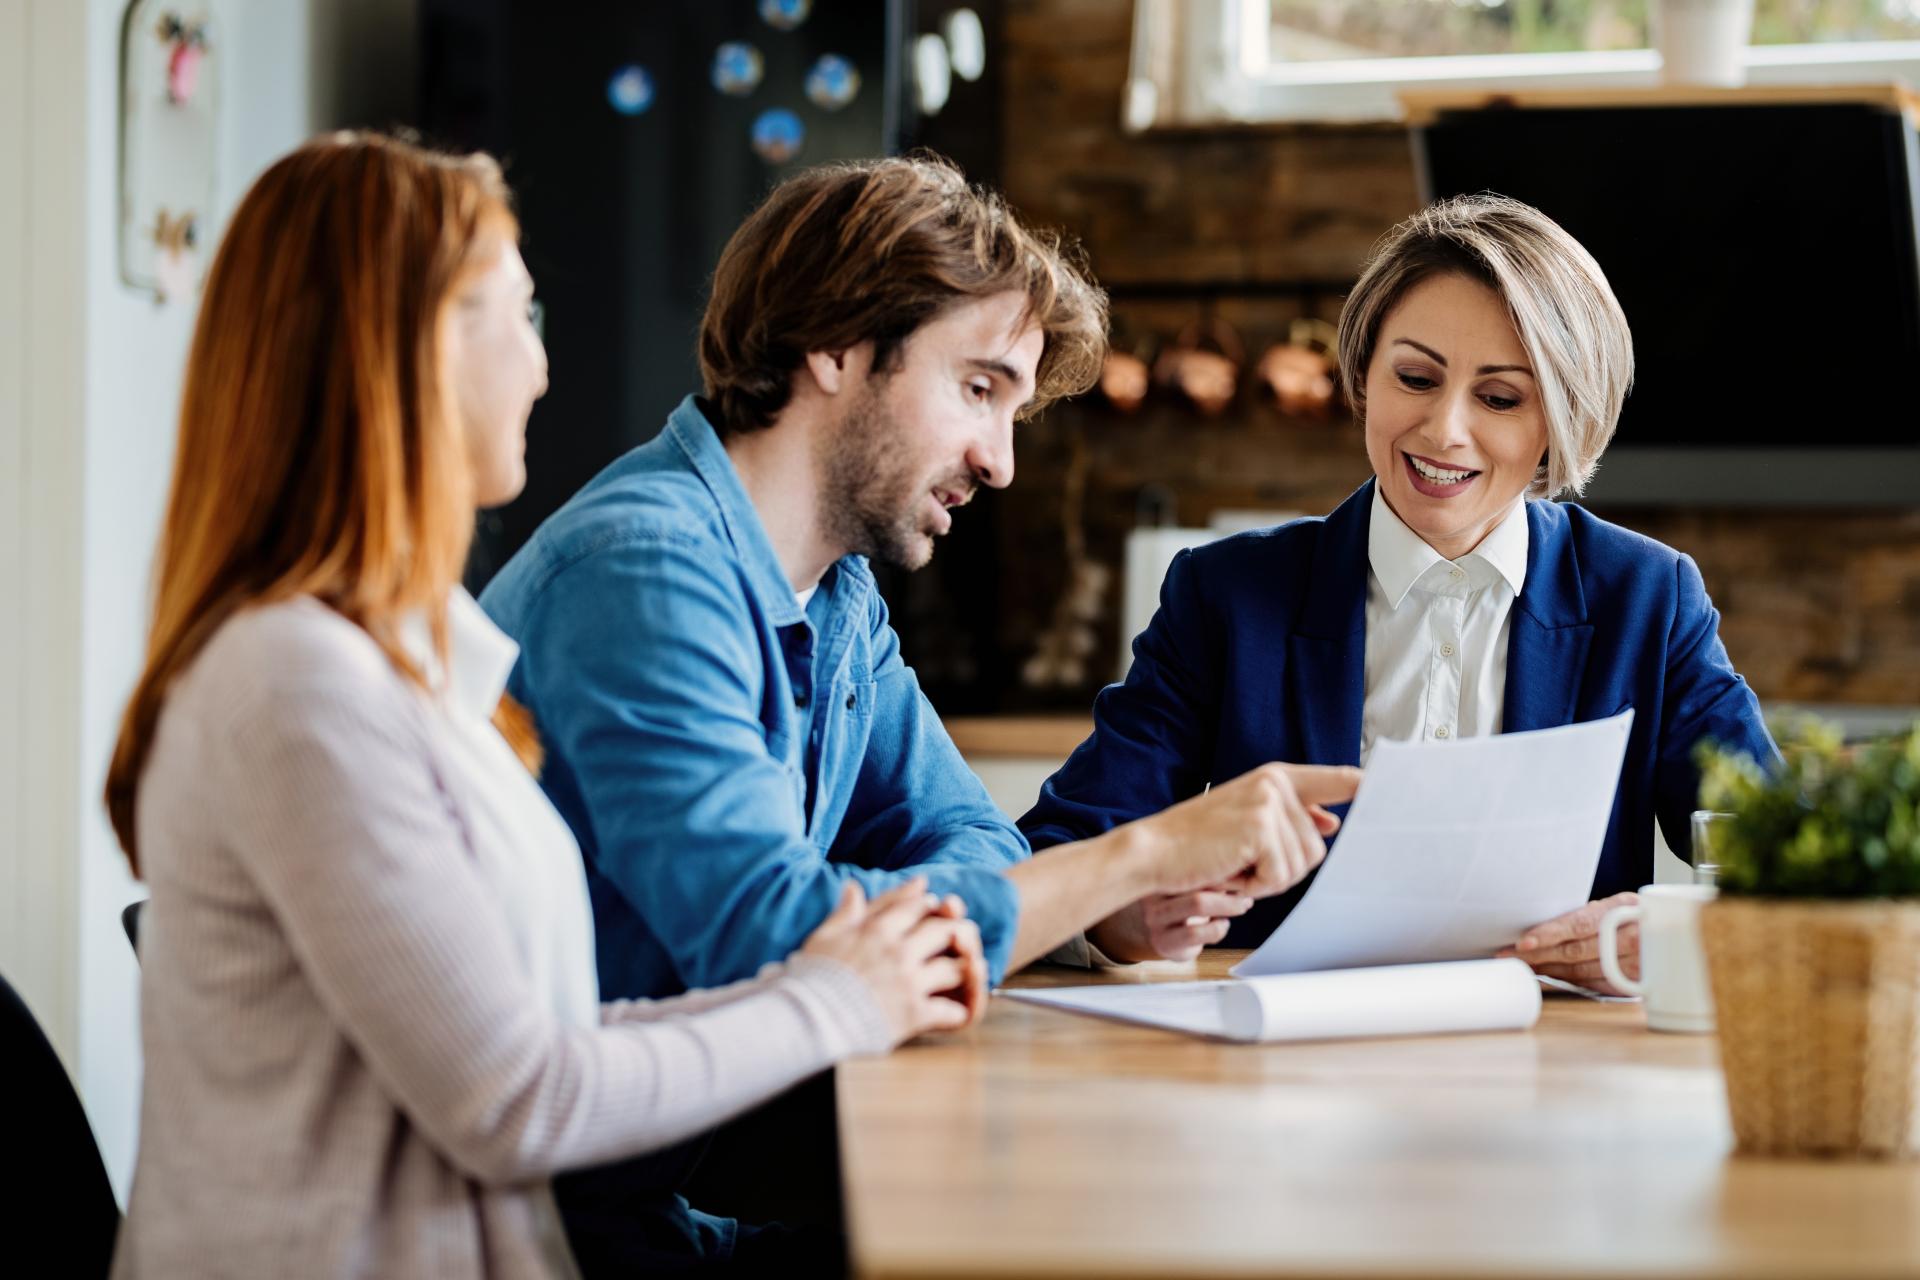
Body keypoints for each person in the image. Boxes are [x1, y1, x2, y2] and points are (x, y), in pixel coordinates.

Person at [102, 132, 990, 1280]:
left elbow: (546, 1048)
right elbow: (517, 1098)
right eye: (514, 319)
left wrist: (851, 984)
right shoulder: (295, 686)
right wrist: (840, 998)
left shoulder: (393, 669)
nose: (543, 368)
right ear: (400, 351)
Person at [479, 154, 1361, 1003]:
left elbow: (970, 839)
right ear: (834, 344)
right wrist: (1134, 859)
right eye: (980, 389)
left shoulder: (837, 595)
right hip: (629, 1152)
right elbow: (768, 932)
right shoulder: (647, 571)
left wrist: (1092, 906)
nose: (1001, 462)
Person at [1021, 193, 1777, 992]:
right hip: (1291, 1069)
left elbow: (1791, 863)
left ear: (1560, 419)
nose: (1444, 429)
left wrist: (1656, 936)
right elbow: (1058, 851)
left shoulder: (1649, 601)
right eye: (1415, 377)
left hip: (1556, 1069)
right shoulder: (1228, 595)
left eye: (1500, 398)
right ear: (1363, 376)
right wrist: (1121, 918)